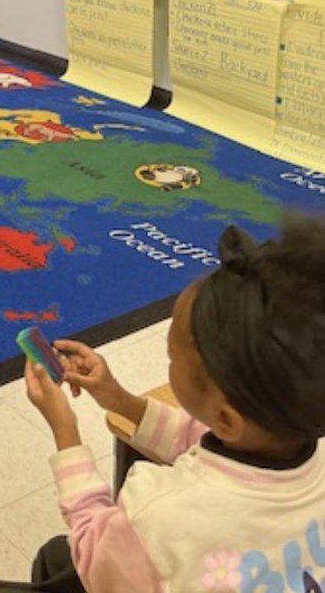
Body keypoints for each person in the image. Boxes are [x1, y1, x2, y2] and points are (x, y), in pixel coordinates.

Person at [21, 217, 325, 593]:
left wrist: (64, 430)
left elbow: (95, 556)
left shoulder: (161, 515)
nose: (168, 362)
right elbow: (196, 435)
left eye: (172, 357)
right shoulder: (294, 439)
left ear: (227, 418)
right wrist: (116, 397)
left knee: (58, 557)